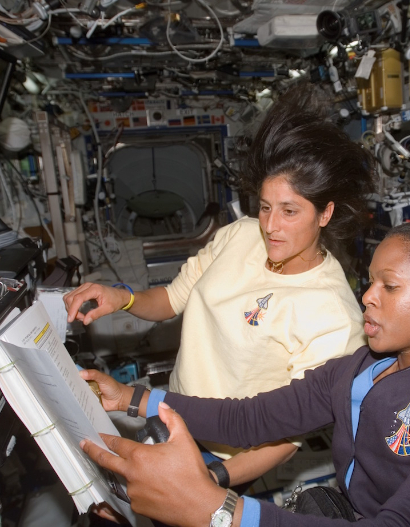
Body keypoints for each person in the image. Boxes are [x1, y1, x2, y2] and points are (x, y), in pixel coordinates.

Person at [80, 220, 410, 527]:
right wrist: (133, 399)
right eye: (370, 281)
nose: (368, 297)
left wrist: (221, 511)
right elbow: (250, 420)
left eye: (389, 287)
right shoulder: (361, 369)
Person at [63, 84, 375, 486]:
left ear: (325, 213)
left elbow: (288, 435)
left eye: (290, 211)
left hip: (228, 455)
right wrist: (121, 298)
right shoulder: (240, 234)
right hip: (167, 414)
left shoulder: (333, 316)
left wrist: (213, 479)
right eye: (265, 207)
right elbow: (172, 299)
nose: (271, 226)